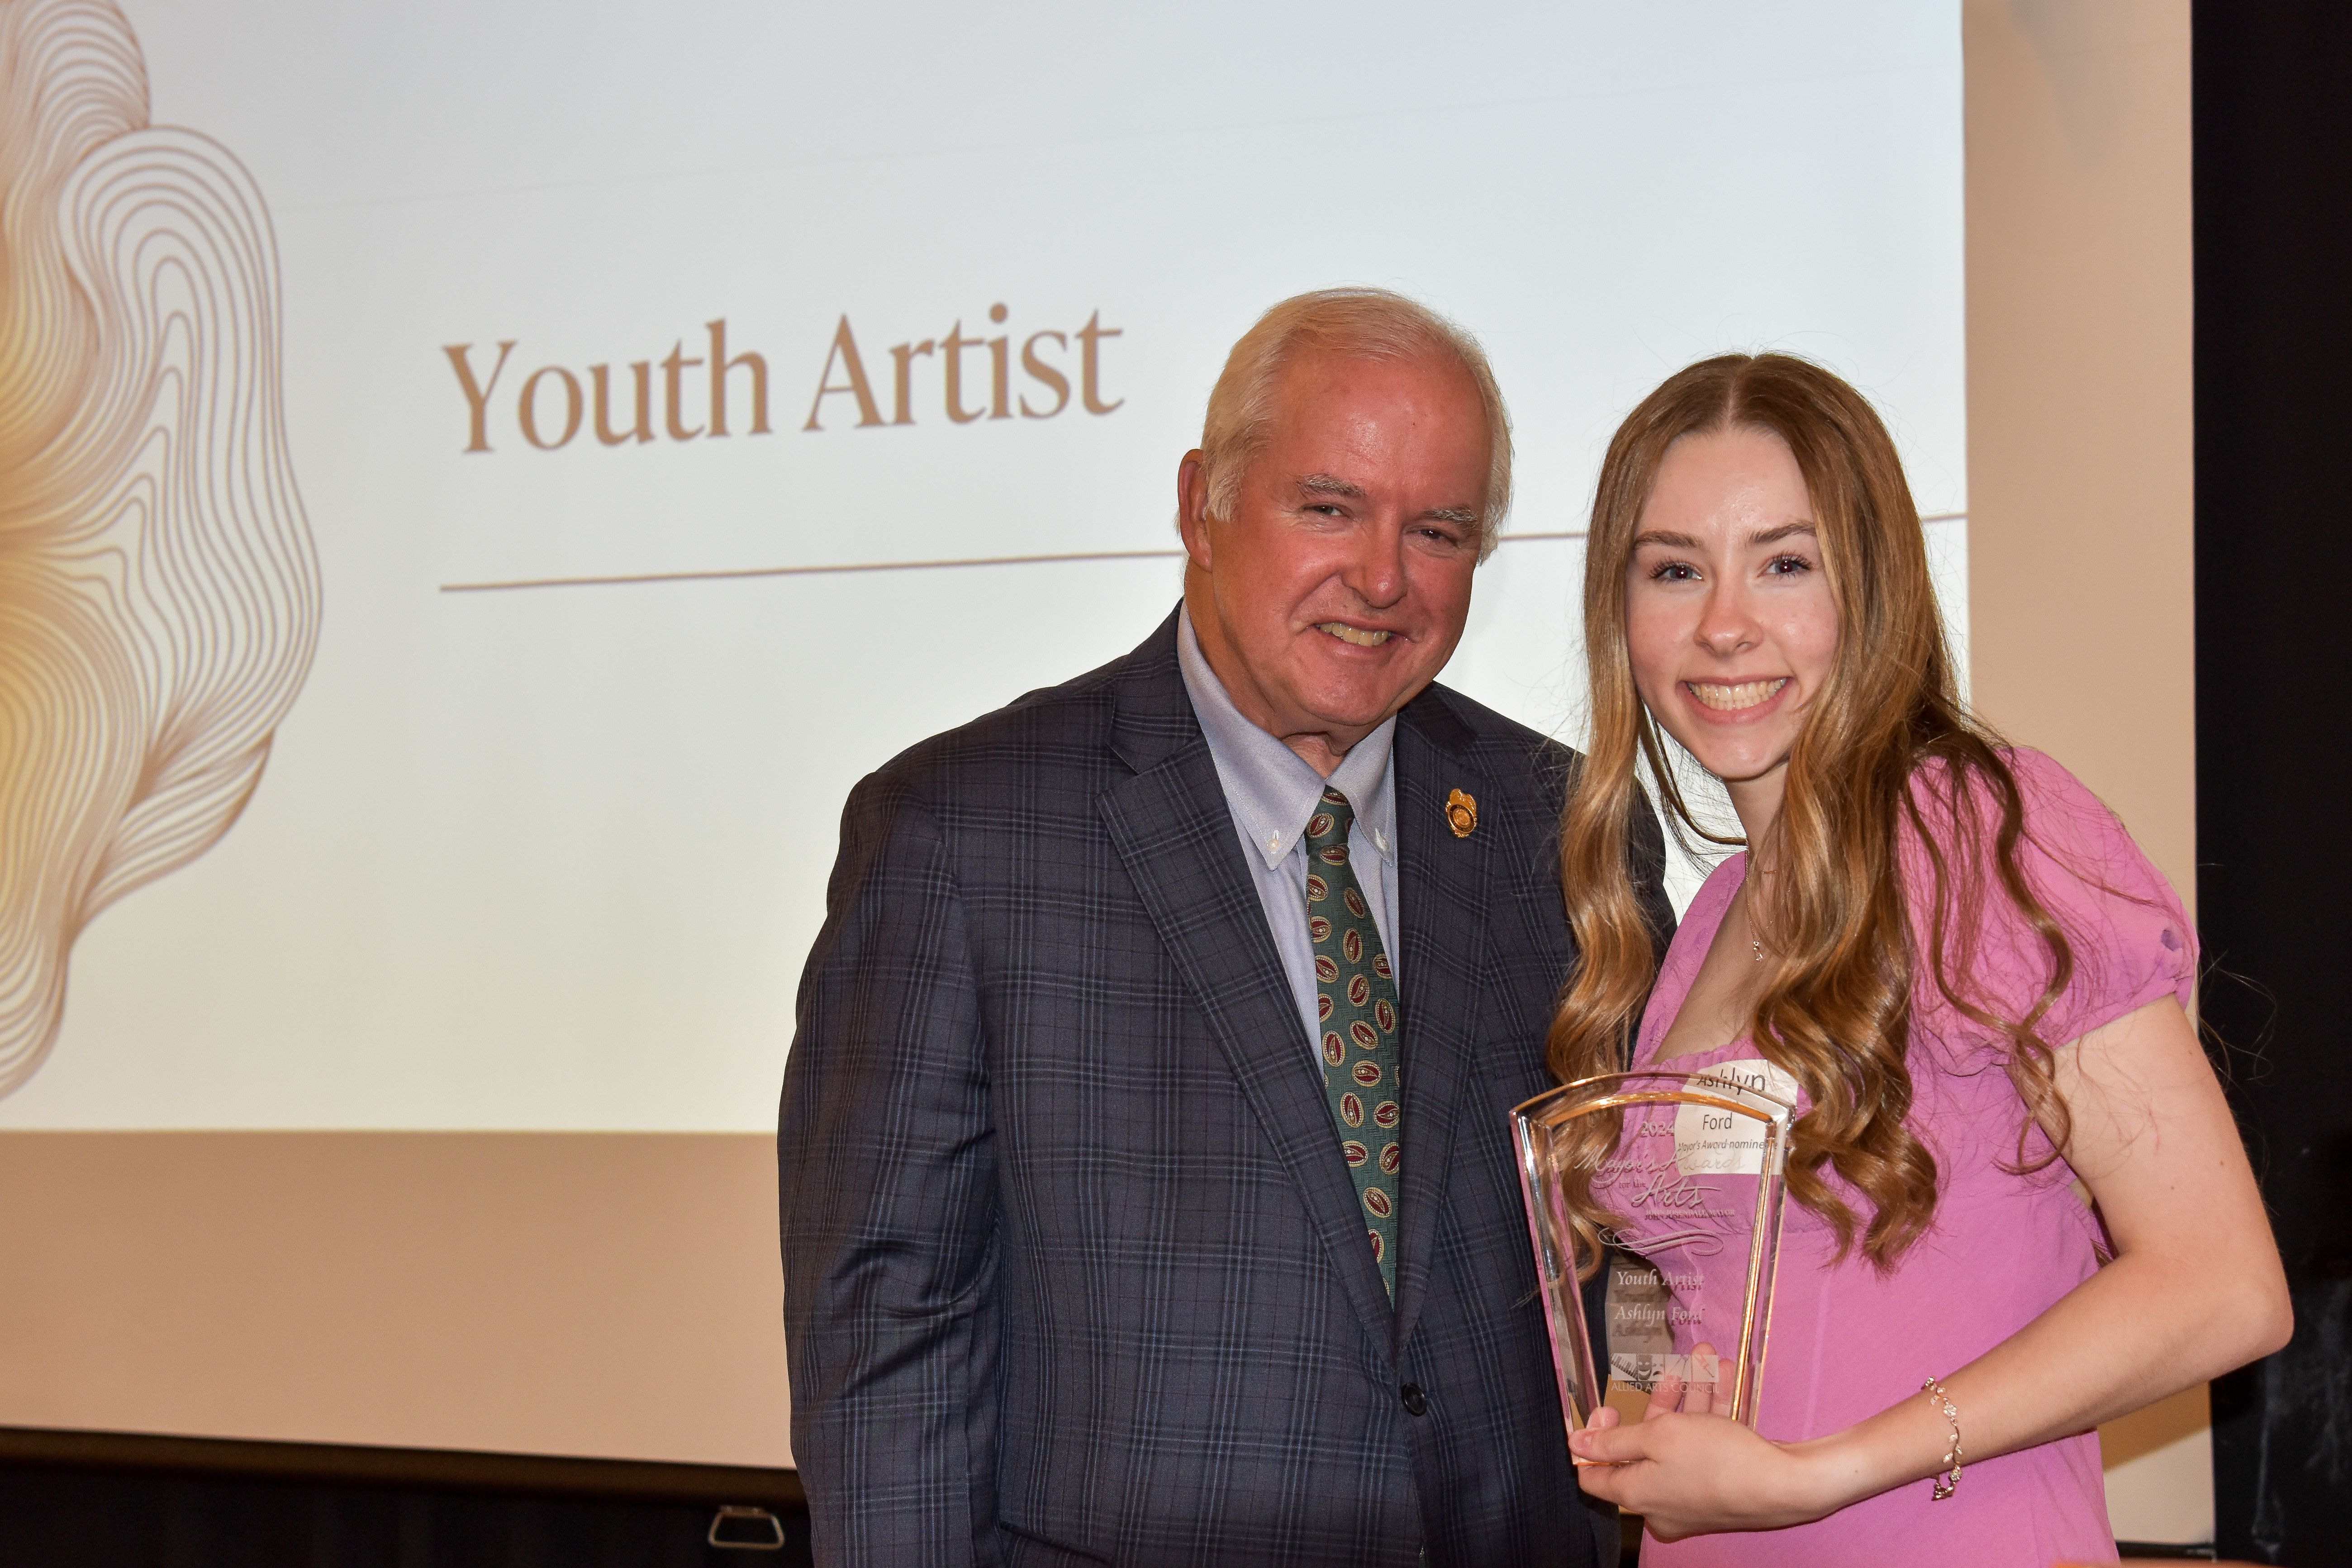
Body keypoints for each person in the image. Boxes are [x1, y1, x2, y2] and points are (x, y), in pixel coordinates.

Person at [778, 288, 1669, 1566]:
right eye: (1329, 507)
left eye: (1438, 529)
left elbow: (1646, 1257)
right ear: (1202, 500)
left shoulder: (1568, 827)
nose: (1381, 576)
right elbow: (888, 1341)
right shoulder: (961, 836)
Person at [1547, 353, 2292, 1563]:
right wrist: (1645, 1427)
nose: (1724, 622)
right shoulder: (1705, 926)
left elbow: (2223, 1284)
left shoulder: (1978, 833)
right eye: (1675, 569)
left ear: (1874, 588)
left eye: (1786, 564)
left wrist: (1822, 1473)